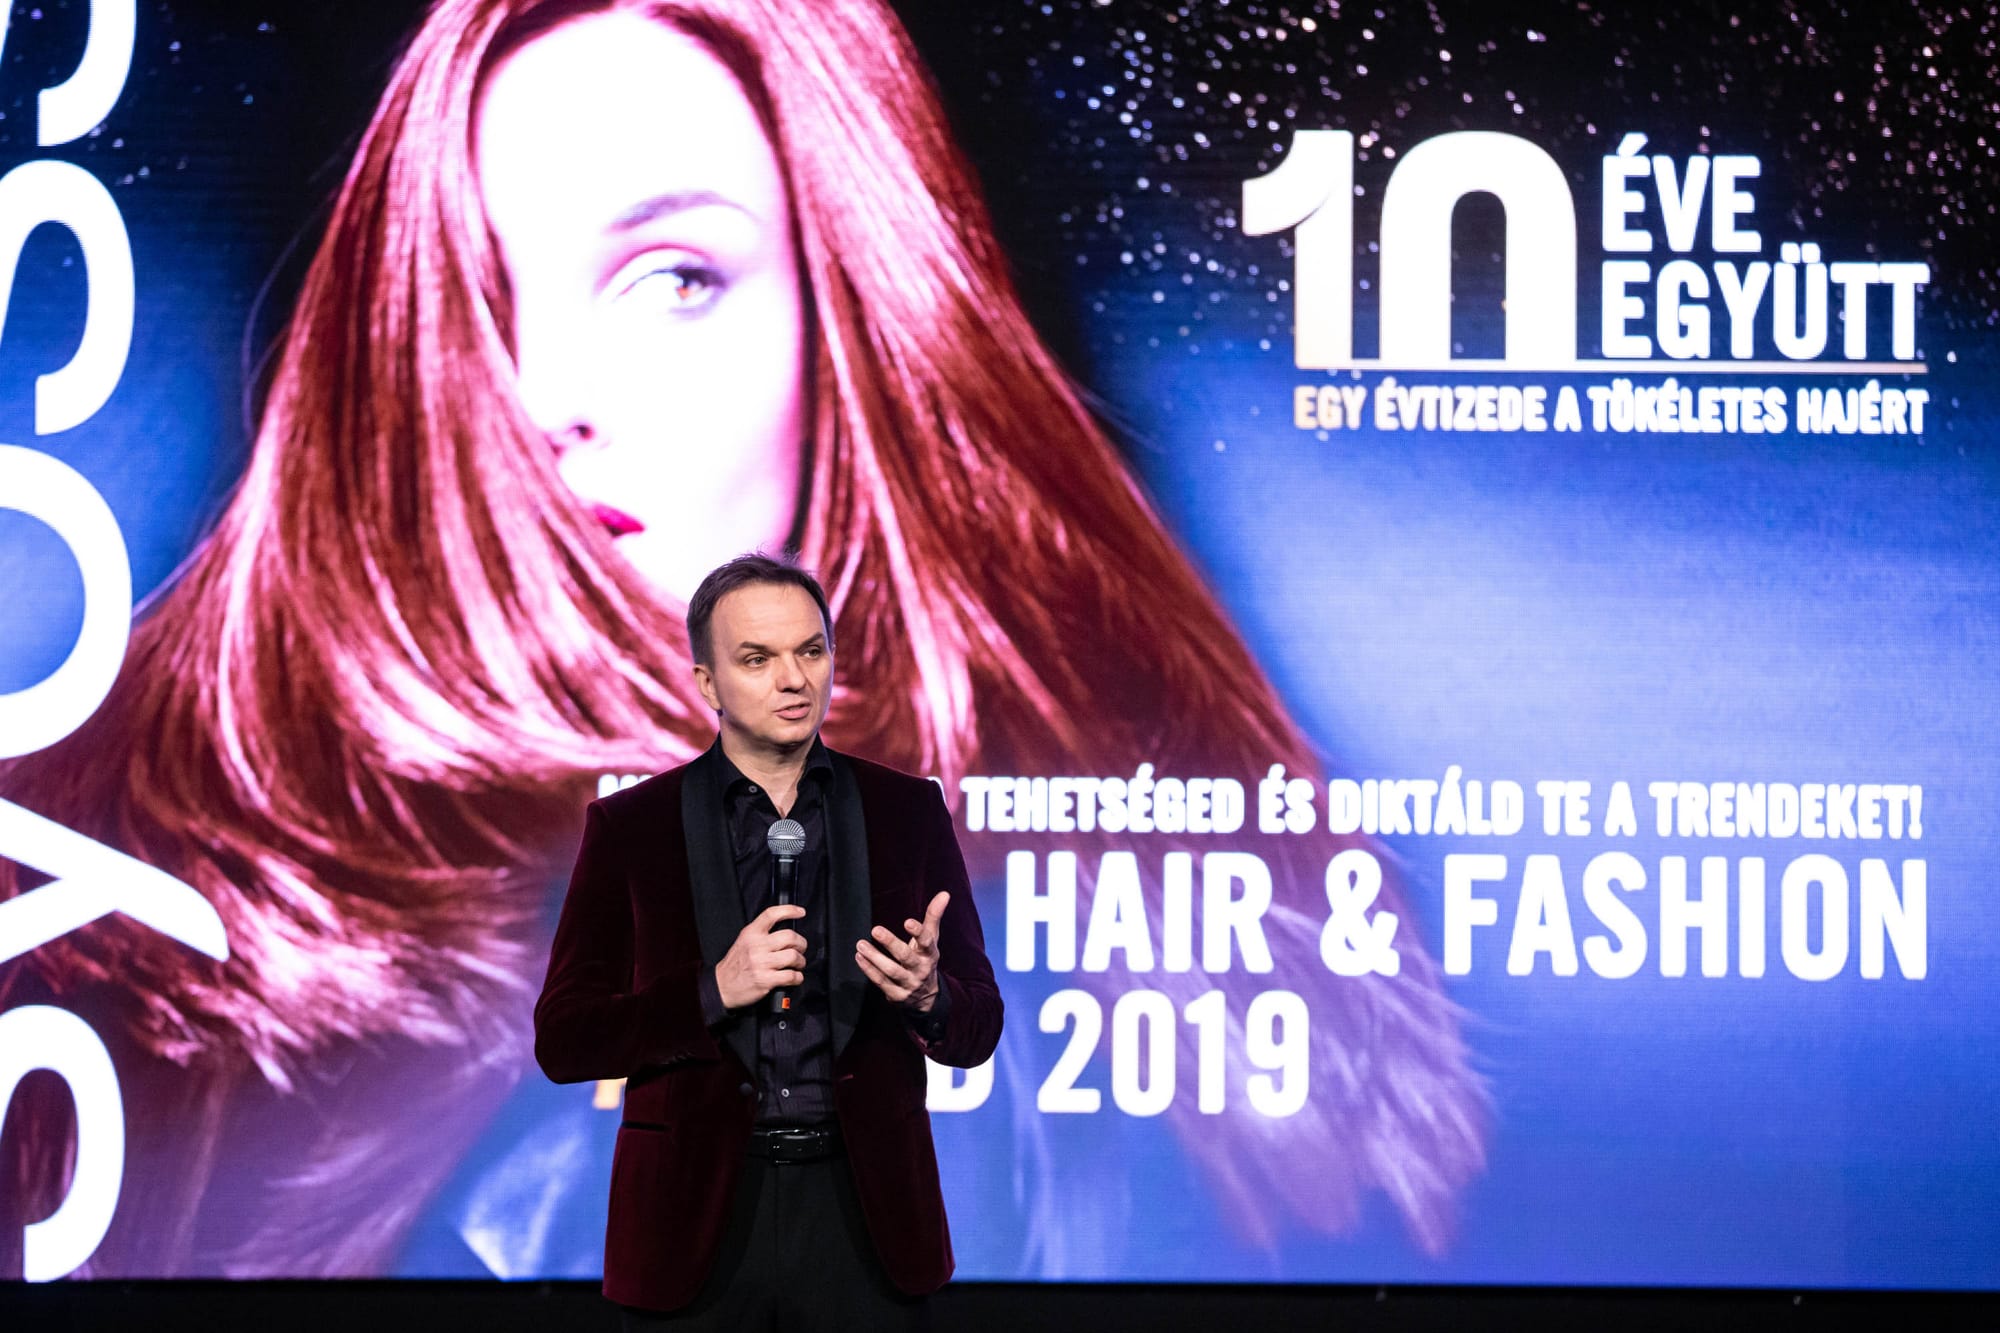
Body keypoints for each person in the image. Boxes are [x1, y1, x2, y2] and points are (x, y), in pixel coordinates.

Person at [1, 0, 1481, 1279]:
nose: (550, 394)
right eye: (480, 302)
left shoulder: (1087, 936)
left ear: (852, 324)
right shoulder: (127, 912)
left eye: (673, 279)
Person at [535, 553, 1000, 1326]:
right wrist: (712, 991)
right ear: (708, 682)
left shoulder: (906, 812)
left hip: (866, 1221)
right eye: (757, 659)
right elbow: (565, 1040)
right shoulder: (632, 827)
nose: (794, 679)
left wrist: (930, 997)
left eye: (810, 651)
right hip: (694, 1224)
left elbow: (979, 1026)